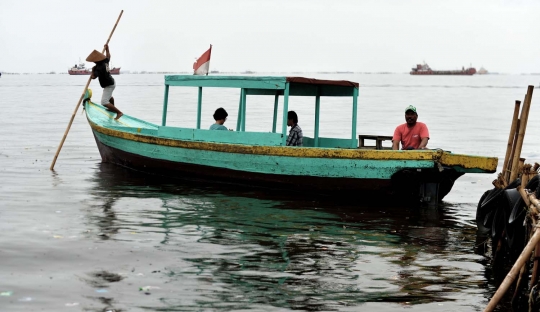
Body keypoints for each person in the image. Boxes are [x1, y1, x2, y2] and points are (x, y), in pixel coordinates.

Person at [87, 44, 123, 120]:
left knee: (104, 102)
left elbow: (93, 77)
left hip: (109, 85)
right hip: (111, 82)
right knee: (109, 97)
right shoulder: (105, 61)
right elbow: (108, 56)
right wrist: (107, 49)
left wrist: (93, 70)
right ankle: (111, 108)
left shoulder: (98, 67)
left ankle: (119, 112)